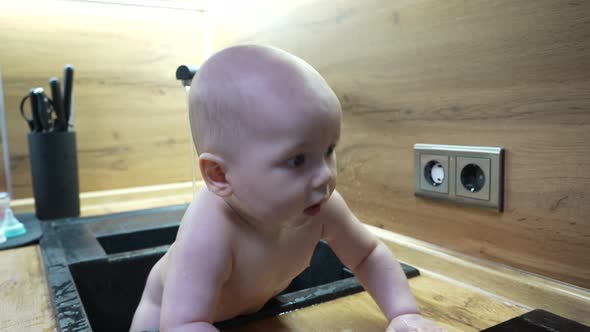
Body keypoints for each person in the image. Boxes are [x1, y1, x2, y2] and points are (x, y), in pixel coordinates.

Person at [130, 44, 445, 332]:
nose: (324, 176)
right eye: (297, 160)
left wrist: (404, 314)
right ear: (220, 176)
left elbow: (367, 254)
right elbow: (184, 323)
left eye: (328, 151)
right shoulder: (209, 230)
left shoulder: (322, 204)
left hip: (253, 313)